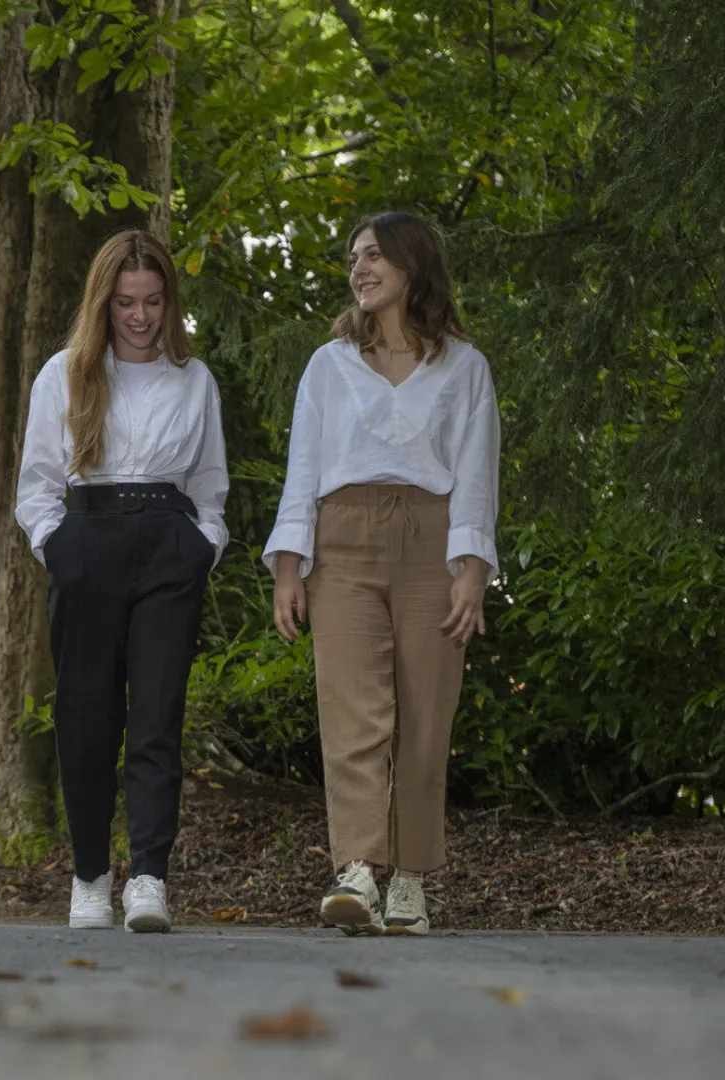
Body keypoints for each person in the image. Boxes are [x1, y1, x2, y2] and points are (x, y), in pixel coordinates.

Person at [264, 211, 500, 937]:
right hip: (343, 538)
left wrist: (472, 570)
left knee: (427, 718)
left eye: (373, 255)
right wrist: (289, 565)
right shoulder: (327, 364)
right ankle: (358, 871)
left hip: (433, 542)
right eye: (352, 257)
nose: (358, 268)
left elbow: (476, 471)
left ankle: (412, 882)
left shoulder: (463, 366)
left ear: (411, 265)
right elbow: (303, 465)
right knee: (353, 712)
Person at [15, 229, 230, 933]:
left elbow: (209, 484)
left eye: (153, 301)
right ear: (103, 302)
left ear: (170, 301)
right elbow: (38, 484)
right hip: (89, 541)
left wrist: (204, 544)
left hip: (170, 548)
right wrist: (59, 548)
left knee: (157, 715)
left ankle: (148, 878)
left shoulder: (193, 378)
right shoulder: (64, 374)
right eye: (126, 302)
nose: (139, 316)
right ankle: (88, 878)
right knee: (85, 718)